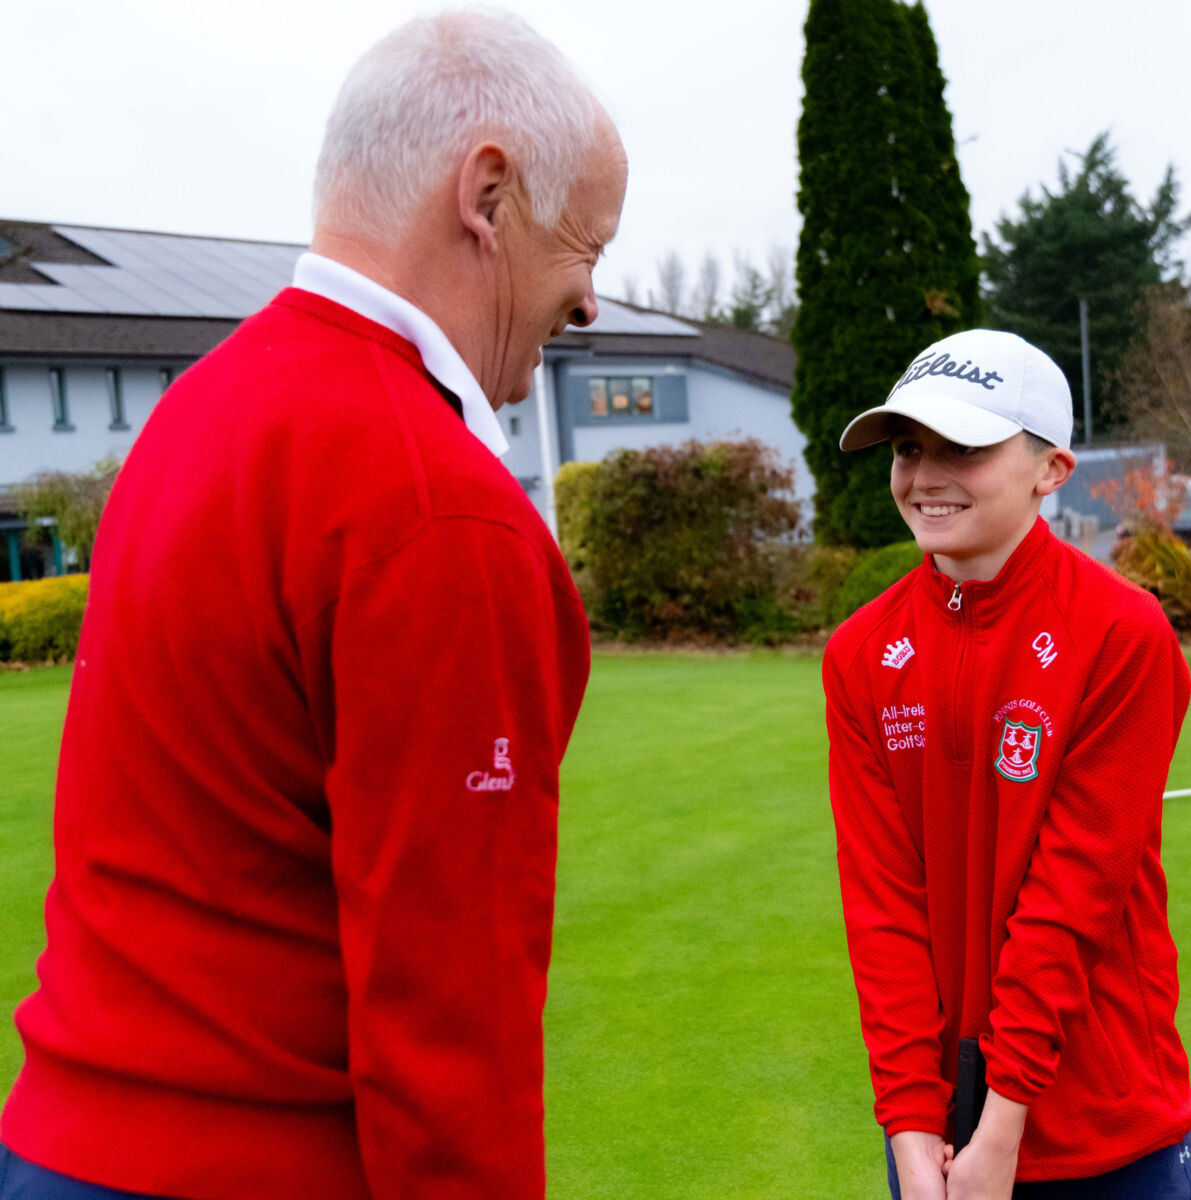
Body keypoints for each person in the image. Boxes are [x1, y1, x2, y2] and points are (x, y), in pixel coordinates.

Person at [0, 11, 626, 1199]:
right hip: (254, 1163)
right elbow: (451, 1018)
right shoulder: (440, 506)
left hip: (56, 1145)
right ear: (487, 194)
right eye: (585, 242)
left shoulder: (195, 413)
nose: (590, 299)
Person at [824, 328, 1191, 1199]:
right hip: (940, 1130)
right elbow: (883, 909)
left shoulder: (1120, 634)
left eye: (964, 447)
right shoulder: (858, 652)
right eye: (909, 449)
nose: (925, 476)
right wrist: (911, 1131)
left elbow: (1073, 898)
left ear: (1051, 469)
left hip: (1108, 1124)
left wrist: (1002, 1123)